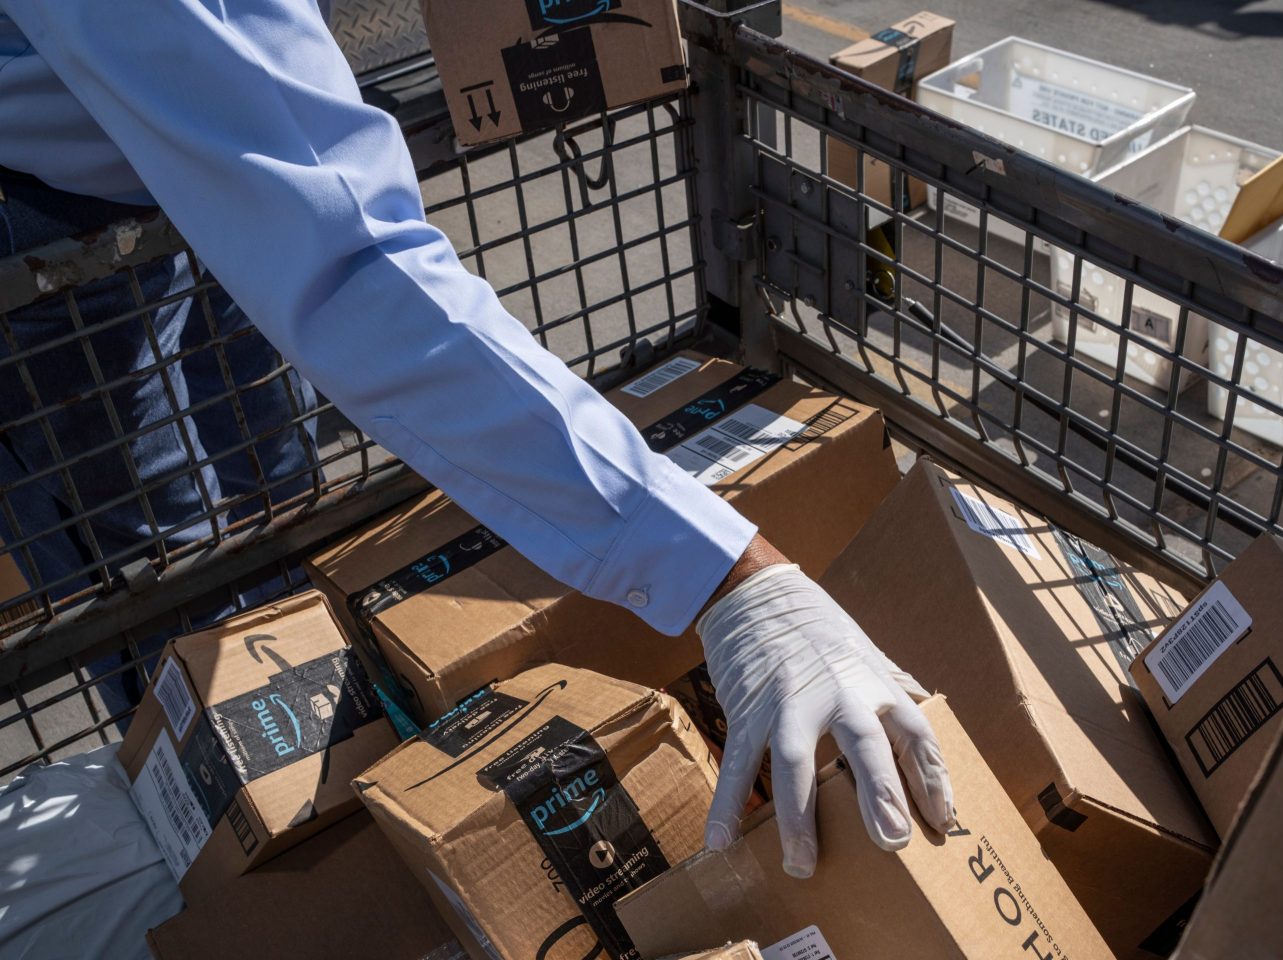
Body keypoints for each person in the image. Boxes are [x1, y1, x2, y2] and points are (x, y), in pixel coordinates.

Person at [0, 0, 954, 879]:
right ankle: (230, 850)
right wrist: (726, 571)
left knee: (273, 493)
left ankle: (318, 773)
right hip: (47, 211)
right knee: (153, 548)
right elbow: (356, 274)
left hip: (194, 126)